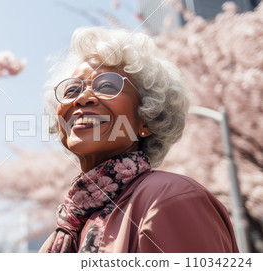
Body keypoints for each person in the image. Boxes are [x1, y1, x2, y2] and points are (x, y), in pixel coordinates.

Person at [39, 27, 239, 253]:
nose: (82, 98)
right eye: (72, 90)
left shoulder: (170, 198)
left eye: (106, 86)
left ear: (145, 118)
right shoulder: (72, 224)